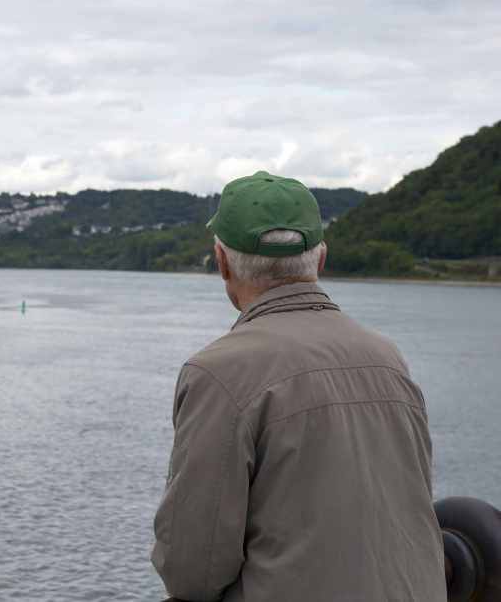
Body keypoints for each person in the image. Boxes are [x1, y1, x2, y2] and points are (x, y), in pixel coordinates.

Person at [151, 171, 445, 601]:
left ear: (222, 262)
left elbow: (192, 570)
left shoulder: (216, 372)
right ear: (320, 260)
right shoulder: (389, 358)